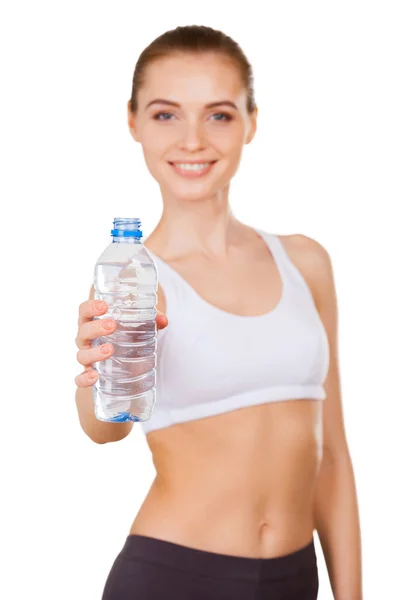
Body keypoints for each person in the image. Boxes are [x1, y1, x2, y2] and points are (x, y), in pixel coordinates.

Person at [74, 25, 362, 600]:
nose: (192, 140)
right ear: (132, 121)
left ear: (252, 121)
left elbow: (332, 455)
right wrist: (97, 368)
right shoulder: (135, 276)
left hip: (293, 577)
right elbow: (106, 430)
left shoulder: (306, 262)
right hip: (173, 576)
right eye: (165, 115)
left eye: (219, 114)